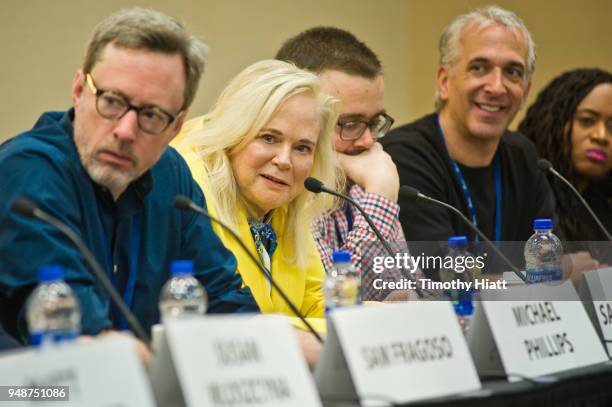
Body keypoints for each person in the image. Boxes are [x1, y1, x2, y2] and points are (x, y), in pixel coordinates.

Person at [0, 8, 257, 349]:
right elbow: (77, 331)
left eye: (151, 115)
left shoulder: (171, 175)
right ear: (79, 90)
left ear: (175, 127)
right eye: (112, 101)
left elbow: (226, 301)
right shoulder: (28, 171)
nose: (124, 130)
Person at [174, 60, 340, 364]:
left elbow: (318, 304)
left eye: (302, 147)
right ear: (234, 134)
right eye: (269, 138)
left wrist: (373, 317)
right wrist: (339, 333)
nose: (285, 160)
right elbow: (229, 322)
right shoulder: (192, 194)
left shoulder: (285, 203)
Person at [381, 6, 558, 277]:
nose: (497, 87)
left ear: (526, 91)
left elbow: (548, 261)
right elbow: (444, 277)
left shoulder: (524, 155)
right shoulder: (404, 156)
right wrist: (530, 280)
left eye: (512, 72)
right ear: (444, 81)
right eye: (479, 68)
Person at [276, 27, 422, 300]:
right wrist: (380, 196)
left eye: (375, 122)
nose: (368, 141)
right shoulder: (285, 199)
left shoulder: (355, 189)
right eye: (350, 124)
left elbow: (415, 293)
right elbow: (337, 302)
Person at [518, 68, 612, 249]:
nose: (601, 136)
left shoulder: (602, 204)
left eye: (611, 126)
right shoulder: (525, 194)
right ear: (553, 122)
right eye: (587, 120)